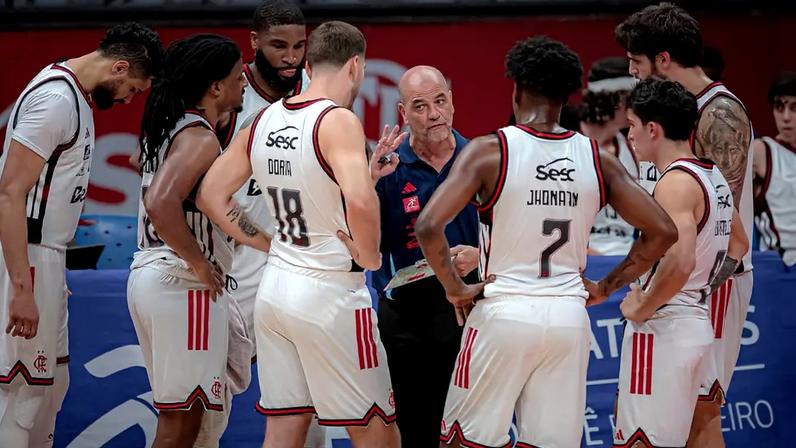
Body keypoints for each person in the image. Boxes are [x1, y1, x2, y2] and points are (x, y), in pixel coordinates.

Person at [415, 36, 677, 448]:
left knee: (462, 441)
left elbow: (428, 226)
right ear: (566, 95)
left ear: (516, 89)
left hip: (504, 312)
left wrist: (456, 289)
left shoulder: (490, 151)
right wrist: (606, 287)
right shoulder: (598, 159)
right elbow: (663, 231)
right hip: (568, 320)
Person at [196, 21, 400, 448]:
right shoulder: (338, 120)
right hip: (329, 293)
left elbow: (211, 196)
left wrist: (265, 243)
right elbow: (361, 203)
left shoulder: (264, 118)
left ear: (307, 64)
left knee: (286, 428)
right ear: (356, 65)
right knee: (377, 430)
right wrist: (371, 257)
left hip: (277, 290)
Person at [0, 23, 162, 447]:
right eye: (134, 88)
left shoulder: (74, 96)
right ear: (120, 66)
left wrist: (49, 272)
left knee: (49, 388)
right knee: (19, 397)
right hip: (28, 259)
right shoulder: (56, 99)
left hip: (45, 260)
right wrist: (22, 283)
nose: (131, 98)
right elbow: (9, 193)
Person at [615, 5, 754, 445]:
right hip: (680, 278)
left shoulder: (718, 114)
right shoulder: (668, 115)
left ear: (662, 59)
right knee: (690, 416)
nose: (632, 72)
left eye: (636, 62)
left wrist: (685, 293)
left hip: (707, 279)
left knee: (700, 412)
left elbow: (723, 227)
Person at [127, 34, 250, 448]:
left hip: (154, 273)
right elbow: (161, 203)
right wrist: (200, 262)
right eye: (237, 77)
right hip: (181, 283)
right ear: (215, 86)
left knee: (188, 420)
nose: (244, 83)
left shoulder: (168, 126)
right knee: (182, 424)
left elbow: (148, 175)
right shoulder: (200, 137)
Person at [371, 65, 478, 448]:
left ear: (452, 101)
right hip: (407, 319)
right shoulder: (389, 166)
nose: (434, 114)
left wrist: (481, 255)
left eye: (440, 101)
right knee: (417, 431)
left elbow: (512, 234)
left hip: (469, 309)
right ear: (402, 113)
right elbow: (367, 249)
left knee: (471, 428)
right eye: (420, 106)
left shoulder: (478, 158)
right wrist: (370, 185)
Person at [579, 57, 641, 255]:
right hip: (579, 259)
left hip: (628, 260)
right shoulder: (566, 141)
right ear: (619, 100)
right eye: (635, 98)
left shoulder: (634, 145)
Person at [753, 72, 796, 267]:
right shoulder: (762, 151)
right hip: (780, 266)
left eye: (795, 108)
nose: (786, 117)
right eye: (780, 107)